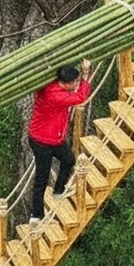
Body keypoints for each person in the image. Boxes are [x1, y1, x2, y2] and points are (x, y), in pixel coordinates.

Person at [27, 59, 92, 222]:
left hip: (53, 139)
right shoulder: (55, 96)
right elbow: (81, 96)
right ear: (67, 84)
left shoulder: (52, 85)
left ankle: (58, 190)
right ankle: (36, 215)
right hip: (42, 141)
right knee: (42, 179)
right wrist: (85, 74)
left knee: (68, 159)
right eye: (75, 82)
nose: (77, 84)